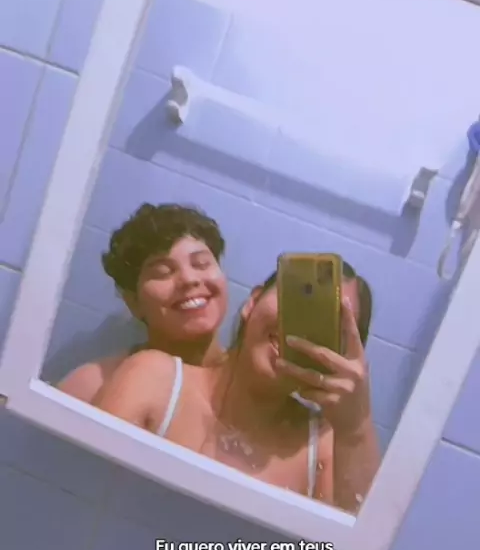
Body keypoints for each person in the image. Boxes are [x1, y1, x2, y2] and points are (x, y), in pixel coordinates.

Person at [92, 260, 380, 514]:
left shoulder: (327, 447)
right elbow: (86, 486)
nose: (300, 328)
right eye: (297, 300)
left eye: (328, 324)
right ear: (252, 302)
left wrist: (356, 428)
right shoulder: (155, 379)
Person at [57, 203, 229, 403]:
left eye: (201, 263)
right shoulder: (91, 387)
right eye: (163, 272)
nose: (189, 279)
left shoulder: (251, 384)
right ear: (133, 301)